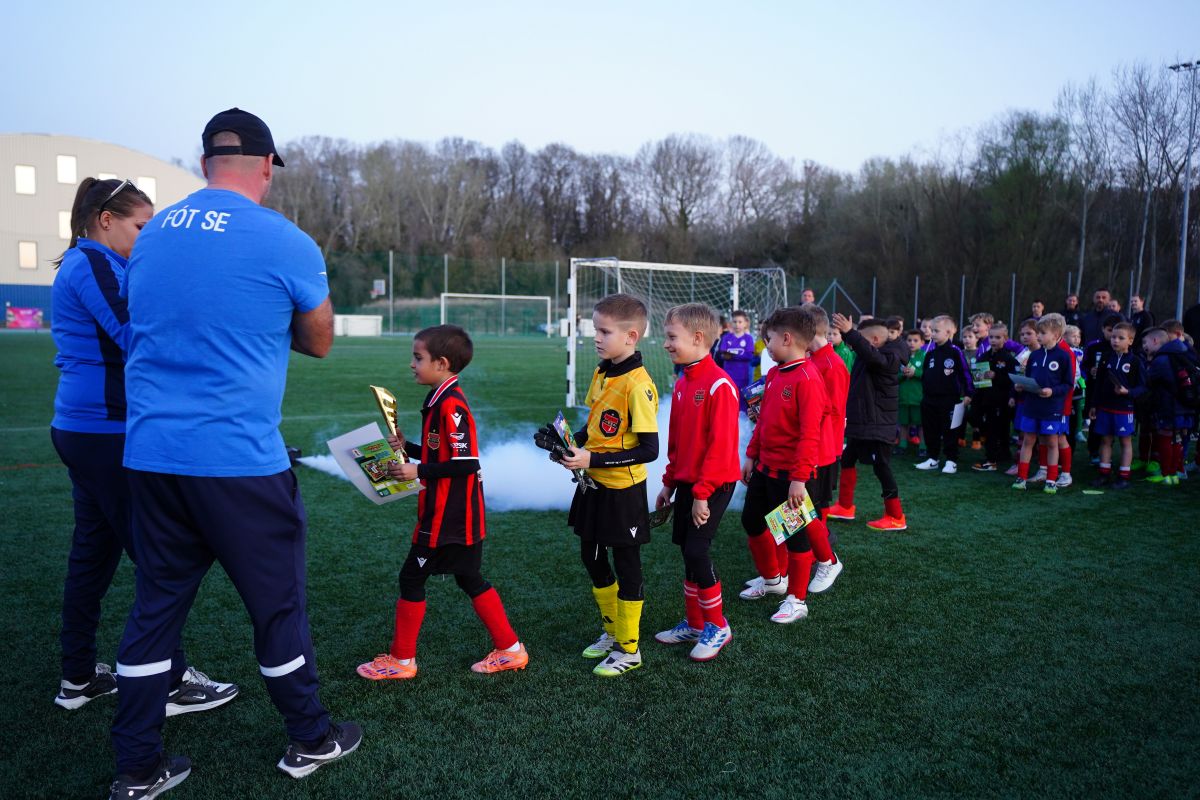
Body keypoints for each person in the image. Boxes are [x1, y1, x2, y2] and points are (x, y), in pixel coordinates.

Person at [110, 109, 359, 799]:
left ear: (204, 163)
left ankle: (136, 767)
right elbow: (319, 341)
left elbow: (146, 317)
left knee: (154, 610)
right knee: (277, 609)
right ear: (267, 166)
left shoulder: (153, 234)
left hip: (151, 455)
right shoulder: (283, 239)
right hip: (239, 462)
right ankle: (311, 736)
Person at [49, 177, 237, 718]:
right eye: (141, 225)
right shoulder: (93, 263)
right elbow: (134, 335)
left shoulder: (100, 262)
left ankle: (78, 677)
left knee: (92, 556)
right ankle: (173, 683)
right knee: (159, 560)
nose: (147, 235)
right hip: (105, 432)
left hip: (90, 430)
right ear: (106, 220)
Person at [358, 325, 527, 681]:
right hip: (459, 514)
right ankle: (511, 649)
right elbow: (443, 454)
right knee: (469, 577)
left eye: (418, 357)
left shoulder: (451, 405)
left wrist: (416, 470)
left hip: (447, 516)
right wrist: (409, 447)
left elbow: (467, 463)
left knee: (411, 578)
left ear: (442, 363)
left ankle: (402, 660)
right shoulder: (438, 399)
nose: (412, 364)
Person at [556, 293, 659, 677]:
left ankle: (629, 648)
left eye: (604, 331)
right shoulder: (603, 372)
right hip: (592, 484)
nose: (596, 338)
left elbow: (649, 450)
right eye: (595, 330)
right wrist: (568, 443)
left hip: (623, 491)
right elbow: (595, 428)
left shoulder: (639, 384)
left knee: (627, 564)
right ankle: (612, 631)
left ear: (631, 336)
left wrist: (593, 459)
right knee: (592, 556)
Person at [739, 307, 838, 624]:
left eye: (768, 339)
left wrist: (799, 479)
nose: (766, 345)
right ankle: (773, 580)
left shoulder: (808, 378)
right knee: (752, 521)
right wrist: (751, 455)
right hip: (764, 468)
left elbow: (810, 435)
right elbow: (763, 422)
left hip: (790, 475)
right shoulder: (774, 374)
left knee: (794, 536)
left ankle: (797, 600)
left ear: (786, 338)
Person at [653, 304, 741, 661]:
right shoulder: (682, 382)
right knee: (685, 551)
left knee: (696, 551)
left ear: (698, 338)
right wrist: (669, 483)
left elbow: (720, 449)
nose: (666, 344)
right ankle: (694, 623)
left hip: (714, 484)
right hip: (689, 483)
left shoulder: (720, 385)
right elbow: (677, 442)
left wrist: (702, 494)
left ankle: (718, 626)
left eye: (672, 337)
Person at [827, 315, 909, 530]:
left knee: (882, 467)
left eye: (860, 339)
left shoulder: (889, 357)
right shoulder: (873, 354)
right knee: (847, 458)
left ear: (874, 340)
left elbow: (873, 357)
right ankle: (845, 506)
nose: (856, 344)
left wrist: (850, 333)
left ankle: (896, 516)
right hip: (864, 422)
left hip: (878, 425)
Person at [799, 304, 849, 590]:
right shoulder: (811, 361)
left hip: (821, 450)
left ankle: (826, 559)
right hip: (807, 449)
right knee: (798, 509)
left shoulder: (832, 364)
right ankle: (797, 561)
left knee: (808, 508)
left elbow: (834, 410)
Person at [1011, 315, 1073, 493]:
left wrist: (1052, 391)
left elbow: (1068, 384)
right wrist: (1021, 386)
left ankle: (1051, 480)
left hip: (1052, 407)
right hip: (1031, 406)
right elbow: (1029, 378)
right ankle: (1021, 478)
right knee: (1028, 440)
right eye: (1038, 332)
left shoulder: (1063, 356)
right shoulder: (1034, 355)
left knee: (1052, 442)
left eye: (1042, 333)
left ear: (1056, 335)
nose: (1038, 336)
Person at [1087, 323, 1146, 489]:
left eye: (1121, 338)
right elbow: (1098, 383)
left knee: (1125, 442)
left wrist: (1128, 392)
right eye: (1113, 337)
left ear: (1130, 341)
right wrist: (1094, 404)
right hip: (1105, 407)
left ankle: (1124, 476)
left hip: (1124, 409)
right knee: (1105, 440)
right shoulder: (1106, 357)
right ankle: (1104, 474)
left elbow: (1143, 387)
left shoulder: (1135, 361)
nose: (1115, 340)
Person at [915, 316, 973, 474]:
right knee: (930, 429)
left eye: (936, 331)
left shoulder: (955, 352)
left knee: (950, 430)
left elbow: (965, 373)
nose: (932, 333)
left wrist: (968, 393)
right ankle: (932, 458)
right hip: (929, 399)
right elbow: (926, 374)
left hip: (950, 399)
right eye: (931, 330)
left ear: (948, 332)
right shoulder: (930, 353)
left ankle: (951, 460)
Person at [1143, 327, 1198, 486]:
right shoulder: (1184, 351)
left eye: (1146, 342)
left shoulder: (1161, 359)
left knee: (1165, 436)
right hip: (1187, 404)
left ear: (1155, 341)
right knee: (1178, 438)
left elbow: (1148, 381)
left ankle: (1166, 474)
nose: (1144, 346)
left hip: (1170, 406)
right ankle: (1176, 472)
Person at [972, 323, 1020, 472]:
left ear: (1005, 339)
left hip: (1002, 400)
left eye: (998, 337)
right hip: (985, 398)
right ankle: (1001, 454)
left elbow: (1014, 380)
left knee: (997, 429)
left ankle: (991, 460)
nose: (993, 340)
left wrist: (997, 376)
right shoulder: (984, 356)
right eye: (991, 337)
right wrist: (979, 377)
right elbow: (978, 379)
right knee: (985, 425)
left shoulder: (1009, 359)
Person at [714, 309, 757, 410]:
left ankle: (742, 417)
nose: (737, 324)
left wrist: (733, 356)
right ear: (731, 323)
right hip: (728, 374)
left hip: (743, 375)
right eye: (735, 321)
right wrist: (728, 356)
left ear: (745, 323)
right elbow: (722, 354)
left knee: (741, 398)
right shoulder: (727, 338)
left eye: (740, 322)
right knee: (728, 397)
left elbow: (749, 356)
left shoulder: (748, 338)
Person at [896, 329, 926, 455]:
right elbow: (895, 376)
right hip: (903, 397)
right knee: (903, 423)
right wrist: (902, 375)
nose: (912, 343)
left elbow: (927, 375)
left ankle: (923, 447)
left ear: (922, 342)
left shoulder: (924, 356)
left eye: (915, 340)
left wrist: (916, 373)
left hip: (918, 398)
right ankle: (902, 445)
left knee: (921, 424)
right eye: (909, 340)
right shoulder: (901, 356)